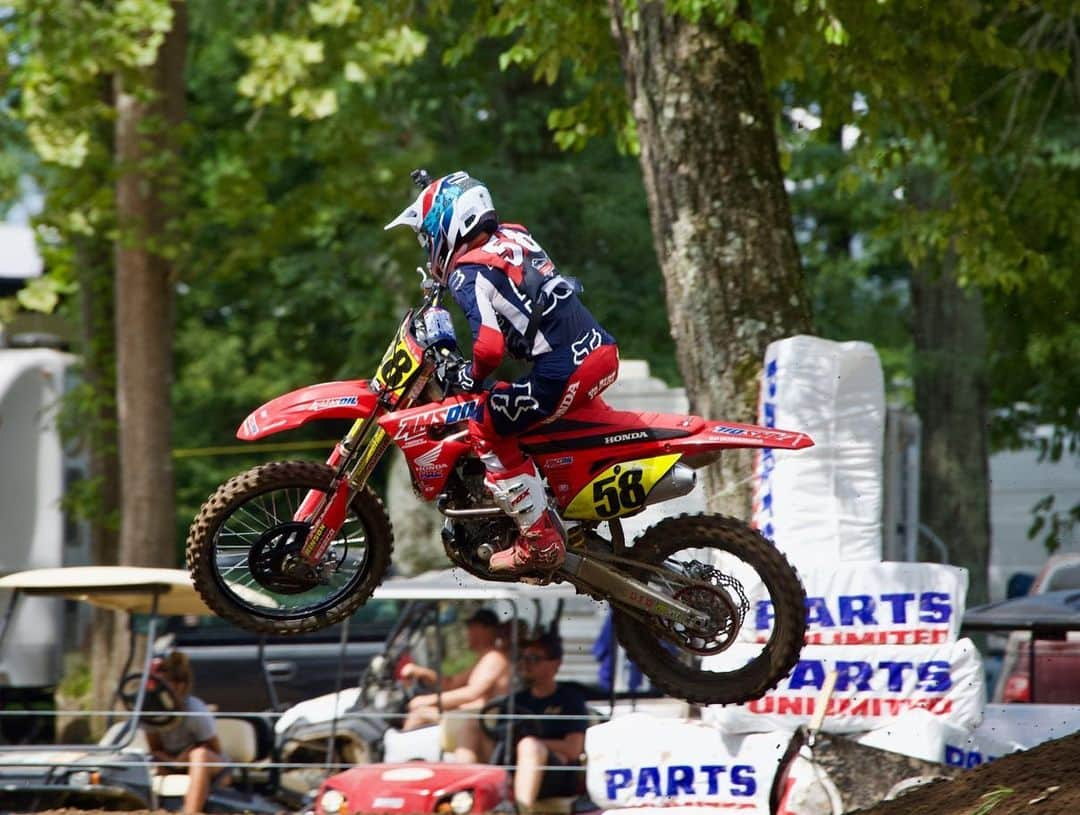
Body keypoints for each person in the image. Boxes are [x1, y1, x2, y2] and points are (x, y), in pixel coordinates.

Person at [385, 171, 619, 574]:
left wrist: (469, 376)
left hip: (564, 370)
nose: (428, 248)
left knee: (485, 425)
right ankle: (554, 503)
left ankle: (539, 540)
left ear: (450, 224)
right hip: (598, 350)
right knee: (511, 403)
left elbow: (490, 347)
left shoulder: (466, 273)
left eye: (427, 237)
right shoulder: (514, 235)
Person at [455, 633, 588, 811]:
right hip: (511, 764)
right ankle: (463, 797)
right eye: (523, 658)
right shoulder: (515, 700)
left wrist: (529, 743)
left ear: (555, 664)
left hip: (554, 776)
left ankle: (521, 809)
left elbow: (573, 749)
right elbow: (498, 739)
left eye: (534, 658)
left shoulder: (570, 700)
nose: (526, 664)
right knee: (471, 725)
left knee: (529, 746)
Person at [400, 607, 511, 730]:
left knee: (419, 714)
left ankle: (400, 750)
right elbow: (451, 683)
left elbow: (471, 694)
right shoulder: (483, 659)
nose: (467, 633)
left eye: (472, 627)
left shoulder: (495, 658)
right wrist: (421, 672)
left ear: (486, 630)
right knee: (419, 710)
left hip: (483, 722)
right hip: (471, 715)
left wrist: (427, 700)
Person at [144, 651, 227, 815]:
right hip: (171, 762)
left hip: (208, 765)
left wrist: (185, 758)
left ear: (179, 685)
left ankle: (191, 811)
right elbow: (154, 748)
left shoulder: (196, 711)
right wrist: (172, 760)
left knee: (200, 755)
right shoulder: (151, 713)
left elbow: (214, 749)